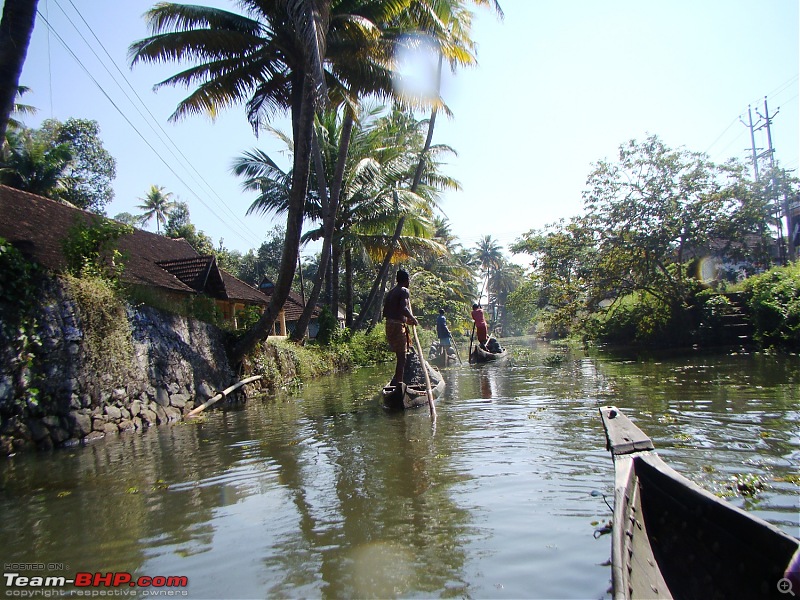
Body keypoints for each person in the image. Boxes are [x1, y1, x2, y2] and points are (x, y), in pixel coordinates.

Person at [382, 269, 418, 390]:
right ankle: (399, 386)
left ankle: (398, 382)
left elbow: (392, 312)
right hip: (397, 326)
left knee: (400, 356)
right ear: (406, 280)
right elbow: (403, 308)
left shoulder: (392, 292)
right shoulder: (404, 290)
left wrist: (407, 321)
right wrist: (413, 318)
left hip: (389, 325)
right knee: (402, 358)